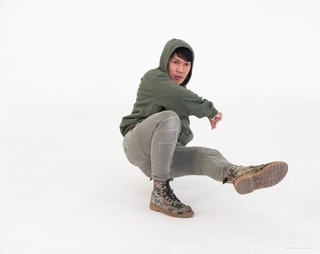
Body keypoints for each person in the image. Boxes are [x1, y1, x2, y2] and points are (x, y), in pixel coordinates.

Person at [119, 38, 288, 218]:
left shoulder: (179, 99)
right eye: (175, 62)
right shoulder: (154, 78)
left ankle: (238, 174)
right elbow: (177, 96)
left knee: (207, 154)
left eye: (186, 64)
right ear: (165, 60)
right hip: (136, 144)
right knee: (169, 118)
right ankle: (160, 194)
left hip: (156, 161)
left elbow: (179, 134)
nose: (180, 69)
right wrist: (209, 110)